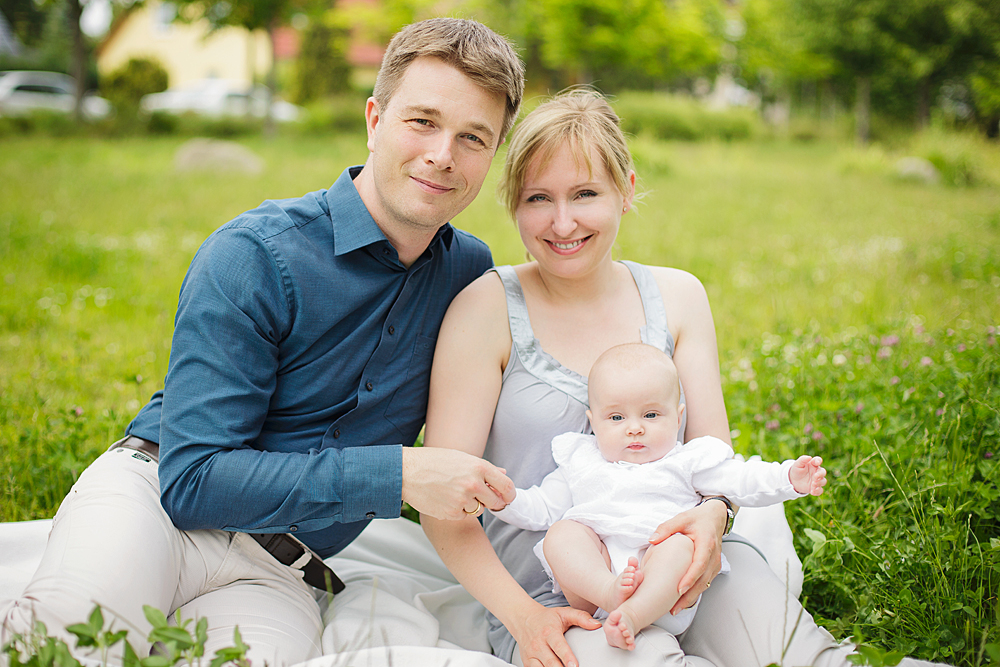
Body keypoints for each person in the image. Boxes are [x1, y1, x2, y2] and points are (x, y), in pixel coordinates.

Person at [1, 18, 523, 667]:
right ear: (374, 118)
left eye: (473, 137)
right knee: (59, 650)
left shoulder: (469, 275)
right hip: (155, 506)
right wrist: (399, 474)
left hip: (282, 573)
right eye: (422, 121)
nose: (444, 153)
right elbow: (192, 480)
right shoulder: (256, 254)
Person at [420, 88, 948, 667]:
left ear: (625, 190)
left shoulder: (677, 296)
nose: (562, 221)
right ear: (513, 204)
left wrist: (713, 518)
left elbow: (711, 458)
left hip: (685, 557)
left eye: (586, 193)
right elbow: (443, 502)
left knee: (801, 656)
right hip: (552, 594)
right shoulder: (486, 307)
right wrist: (525, 618)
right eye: (538, 198)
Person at [490, 342, 826, 653]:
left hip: (668, 590)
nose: (634, 428)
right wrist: (506, 499)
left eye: (651, 415)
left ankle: (633, 615)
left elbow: (741, 479)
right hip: (594, 590)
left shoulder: (685, 460)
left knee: (681, 543)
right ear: (594, 422)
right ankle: (611, 592)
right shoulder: (580, 460)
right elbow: (542, 507)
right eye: (617, 417)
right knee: (562, 533)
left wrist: (788, 477)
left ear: (678, 418)